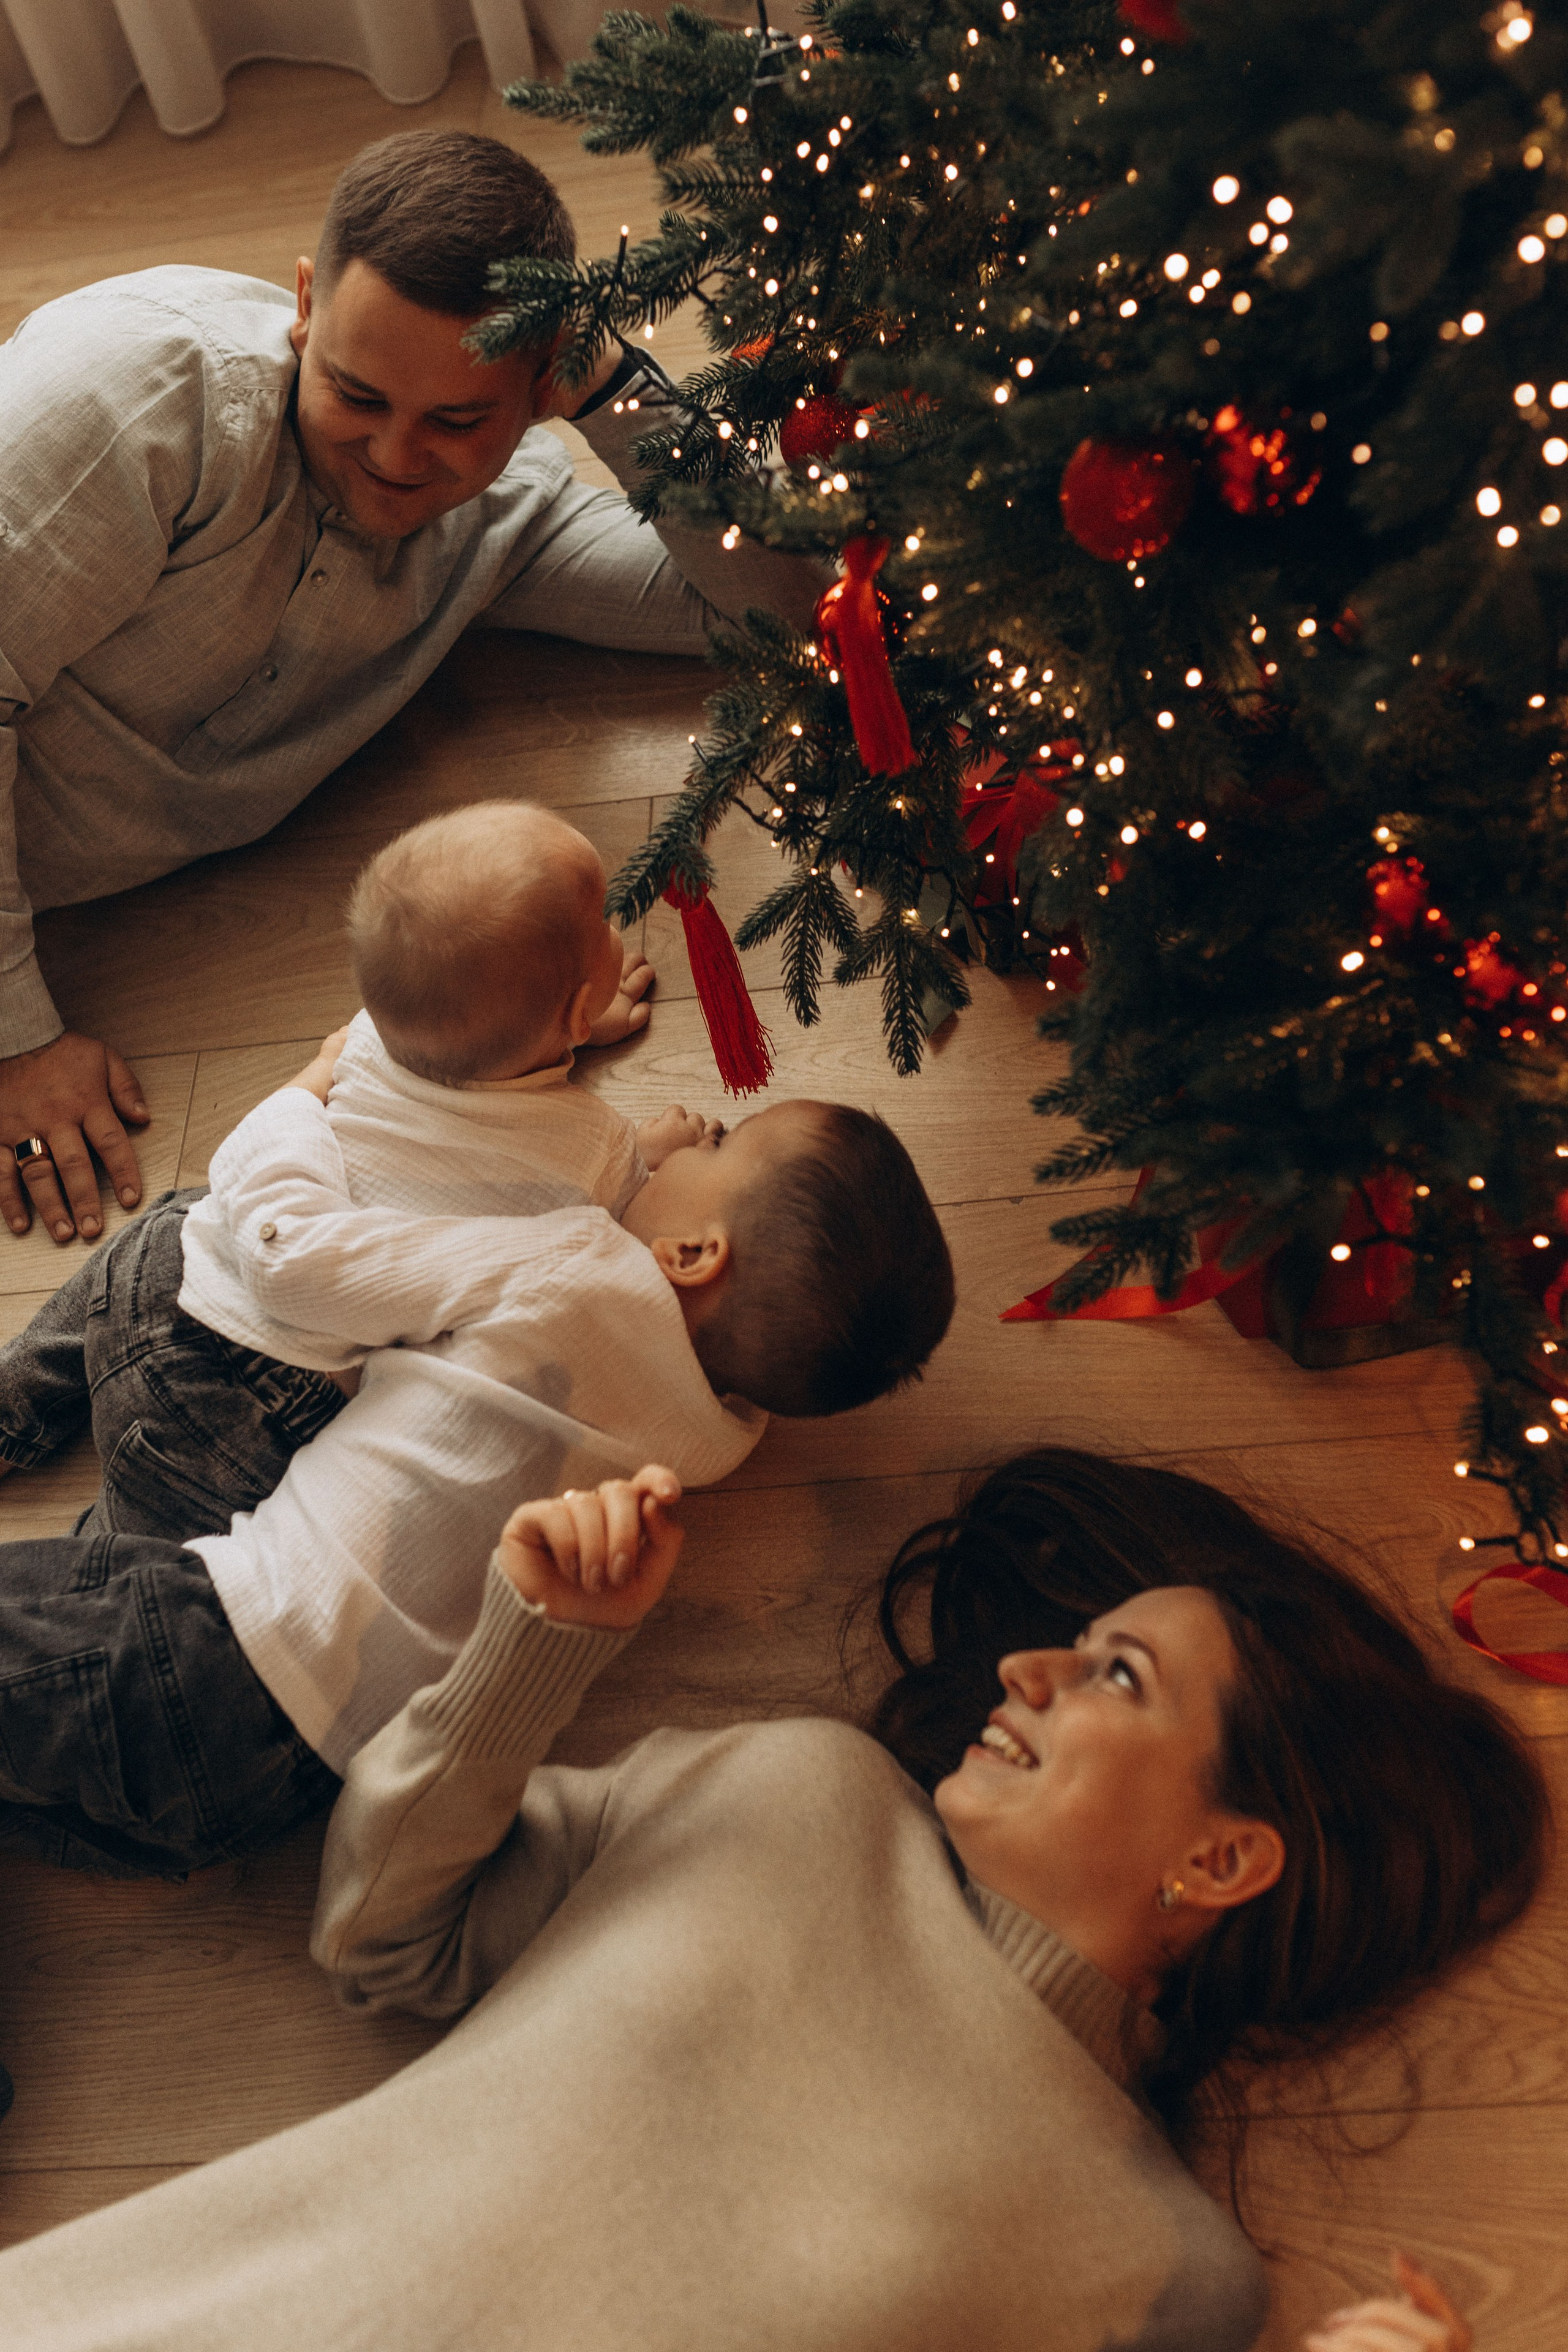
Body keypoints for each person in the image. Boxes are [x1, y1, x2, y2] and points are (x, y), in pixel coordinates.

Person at [0, 1451, 1539, 2348]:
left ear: (1218, 1859)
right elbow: (379, 1943)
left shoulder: (1171, 2270)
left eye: (1113, 1675)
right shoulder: (801, 1789)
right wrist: (529, 1649)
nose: (1028, 1667)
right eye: (1074, 1639)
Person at [0, 126, 823, 1247]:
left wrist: (622, 392)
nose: (395, 455)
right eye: (356, 391)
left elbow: (774, 612)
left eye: (455, 420)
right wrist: (16, 1035)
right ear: (304, 302)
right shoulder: (135, 397)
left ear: (538, 387)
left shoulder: (503, 514)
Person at [0, 1012, 954, 1876]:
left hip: (206, 1640)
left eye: (727, 1145)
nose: (700, 1135)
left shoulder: (571, 1266)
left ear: (694, 1255)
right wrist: (649, 1179)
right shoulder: (715, 1442)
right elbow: (620, 1328)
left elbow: (350, 1243)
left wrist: (309, 1090)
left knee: (182, 1236)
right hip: (282, 1792)